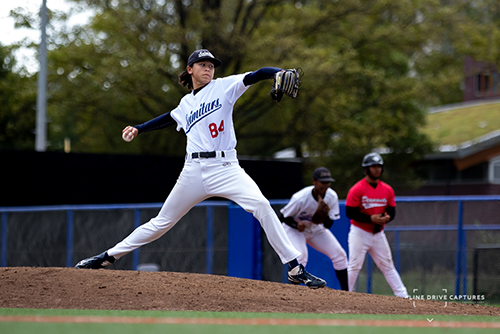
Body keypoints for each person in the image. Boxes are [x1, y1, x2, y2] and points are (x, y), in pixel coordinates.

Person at [75, 49, 326, 289]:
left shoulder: (224, 87)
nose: (208, 68)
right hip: (193, 170)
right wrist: (139, 128)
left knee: (261, 205)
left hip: (226, 167)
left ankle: (294, 267)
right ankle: (107, 256)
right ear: (190, 69)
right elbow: (168, 118)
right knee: (162, 221)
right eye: (203, 64)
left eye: (211, 65)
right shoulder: (185, 104)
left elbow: (256, 74)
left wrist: (278, 72)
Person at [345, 152, 408, 298]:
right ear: (366, 169)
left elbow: (392, 211)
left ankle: (403, 296)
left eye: (379, 166)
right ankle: (343, 295)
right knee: (354, 266)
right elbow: (350, 212)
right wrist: (370, 218)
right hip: (360, 232)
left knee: (387, 265)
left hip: (378, 234)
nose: (377, 169)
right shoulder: (357, 189)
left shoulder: (387, 189)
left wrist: (387, 217)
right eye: (373, 166)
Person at [279, 167, 349, 290]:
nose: (326, 185)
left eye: (328, 182)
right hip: (294, 229)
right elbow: (283, 217)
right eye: (323, 182)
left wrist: (325, 216)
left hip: (315, 228)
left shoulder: (331, 196)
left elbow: (328, 225)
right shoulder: (300, 197)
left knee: (340, 255)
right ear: (314, 182)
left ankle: (346, 292)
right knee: (301, 257)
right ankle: (293, 292)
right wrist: (296, 225)